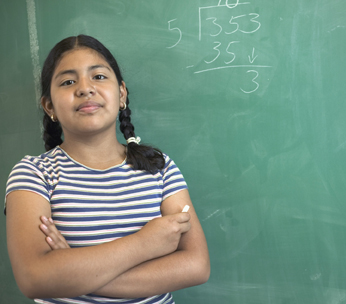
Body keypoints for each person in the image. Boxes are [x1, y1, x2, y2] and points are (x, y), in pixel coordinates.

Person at [5, 34, 210, 304]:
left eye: (99, 77)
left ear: (122, 93)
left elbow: (196, 266)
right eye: (68, 82)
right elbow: (35, 278)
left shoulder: (159, 167)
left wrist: (74, 273)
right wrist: (144, 243)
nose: (85, 88)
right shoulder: (34, 174)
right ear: (50, 106)